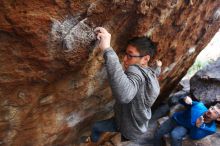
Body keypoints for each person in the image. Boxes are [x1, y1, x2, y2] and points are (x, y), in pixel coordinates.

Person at [89, 27, 162, 143]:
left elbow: (125, 95)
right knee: (101, 128)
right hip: (137, 125)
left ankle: (92, 142)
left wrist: (107, 49)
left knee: (98, 127)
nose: (125, 59)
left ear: (145, 59)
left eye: (130, 55)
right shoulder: (150, 74)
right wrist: (158, 66)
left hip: (127, 128)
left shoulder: (135, 71)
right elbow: (154, 72)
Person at [154, 96, 220, 146]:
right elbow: (182, 101)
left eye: (216, 112)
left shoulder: (211, 129)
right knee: (158, 133)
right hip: (177, 119)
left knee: (175, 135)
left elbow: (194, 136)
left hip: (186, 127)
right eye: (212, 108)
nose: (211, 111)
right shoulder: (199, 106)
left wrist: (197, 126)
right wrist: (185, 98)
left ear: (218, 118)